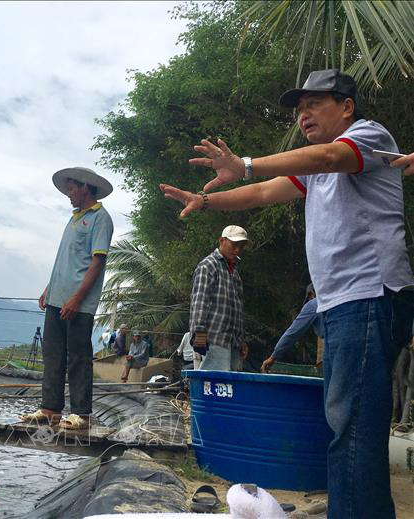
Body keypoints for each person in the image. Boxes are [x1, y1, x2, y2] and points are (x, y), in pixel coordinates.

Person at [159, 69, 414, 519]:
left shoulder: (366, 137)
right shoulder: (314, 169)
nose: (303, 115)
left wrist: (247, 163)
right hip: (341, 305)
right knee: (345, 423)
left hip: (370, 296)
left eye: (314, 104)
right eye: (299, 110)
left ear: (347, 106)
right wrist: (207, 201)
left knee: (352, 428)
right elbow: (260, 192)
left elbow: (328, 159)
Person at [20, 167, 114, 430]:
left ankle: (81, 413)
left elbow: (97, 262)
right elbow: (68, 259)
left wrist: (76, 298)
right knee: (53, 354)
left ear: (85, 187)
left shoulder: (100, 218)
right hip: (56, 297)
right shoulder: (74, 218)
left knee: (78, 355)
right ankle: (50, 408)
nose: (69, 194)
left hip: (78, 302)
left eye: (72, 188)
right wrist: (49, 288)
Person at [190, 225, 250, 372]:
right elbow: (200, 301)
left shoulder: (234, 272)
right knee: (214, 384)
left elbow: (238, 309)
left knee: (232, 386)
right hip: (215, 339)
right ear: (222, 240)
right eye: (234, 245)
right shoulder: (208, 266)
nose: (237, 250)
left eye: (241, 246)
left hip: (233, 341)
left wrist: (241, 340)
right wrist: (199, 332)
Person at [261, 284, 324, 373]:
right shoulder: (338, 300)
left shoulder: (314, 304)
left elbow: (292, 334)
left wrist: (273, 357)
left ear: (310, 295)